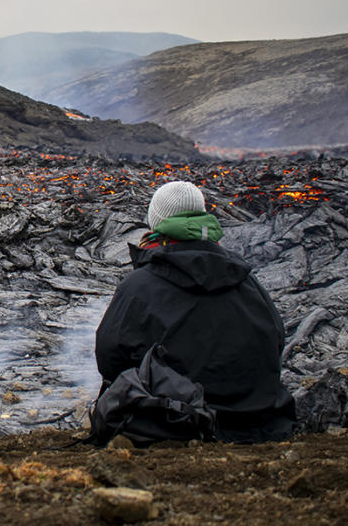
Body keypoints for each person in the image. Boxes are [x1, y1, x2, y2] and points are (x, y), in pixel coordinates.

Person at [94, 180, 296, 443]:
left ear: (155, 222)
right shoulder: (247, 280)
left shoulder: (139, 287)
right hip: (260, 423)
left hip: (177, 424)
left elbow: (110, 358)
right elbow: (275, 341)